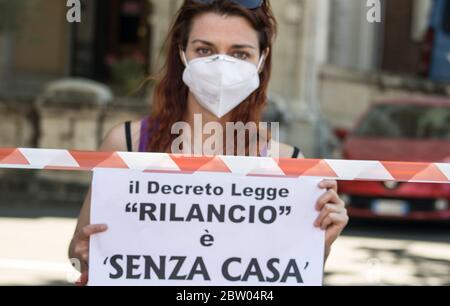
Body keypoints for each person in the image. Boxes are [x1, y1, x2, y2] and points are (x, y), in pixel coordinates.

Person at [68, 0, 348, 285]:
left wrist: (321, 242)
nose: (221, 65)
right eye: (205, 50)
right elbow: (79, 256)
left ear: (261, 59)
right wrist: (85, 253)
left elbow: (290, 271)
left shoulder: (290, 165)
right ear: (182, 53)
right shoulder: (125, 143)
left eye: (240, 53)